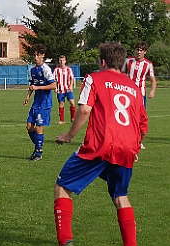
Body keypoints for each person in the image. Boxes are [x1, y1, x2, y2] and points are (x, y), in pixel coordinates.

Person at [54, 42, 148, 246]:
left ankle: (65, 241)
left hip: (100, 145)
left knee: (62, 187)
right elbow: (141, 123)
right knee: (121, 196)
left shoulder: (93, 78)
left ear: (102, 61)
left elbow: (85, 110)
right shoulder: (133, 87)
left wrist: (68, 136)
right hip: (126, 148)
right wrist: (134, 146)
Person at [23, 43, 56, 161]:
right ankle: (38, 147)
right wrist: (27, 96)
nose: (35, 57)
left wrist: (38, 88)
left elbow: (53, 85)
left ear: (43, 55)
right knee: (29, 126)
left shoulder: (46, 69)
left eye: (38, 55)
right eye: (34, 55)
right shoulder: (32, 70)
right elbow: (32, 85)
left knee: (38, 128)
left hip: (45, 103)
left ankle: (38, 153)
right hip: (36, 103)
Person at [121, 41, 156, 149]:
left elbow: (153, 80)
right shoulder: (128, 61)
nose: (139, 52)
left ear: (145, 52)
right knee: (125, 115)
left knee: (139, 118)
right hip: (127, 93)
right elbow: (121, 74)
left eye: (141, 50)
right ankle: (124, 138)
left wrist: (152, 91)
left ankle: (138, 141)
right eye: (137, 49)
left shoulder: (148, 64)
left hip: (140, 95)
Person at [53, 55, 76, 124]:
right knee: (61, 104)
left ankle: (73, 118)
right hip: (60, 90)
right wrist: (55, 87)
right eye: (60, 60)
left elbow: (72, 78)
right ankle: (61, 120)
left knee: (72, 103)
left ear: (65, 61)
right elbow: (53, 80)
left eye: (63, 60)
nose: (61, 62)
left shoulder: (69, 69)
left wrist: (71, 86)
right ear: (59, 61)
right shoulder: (56, 70)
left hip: (68, 89)